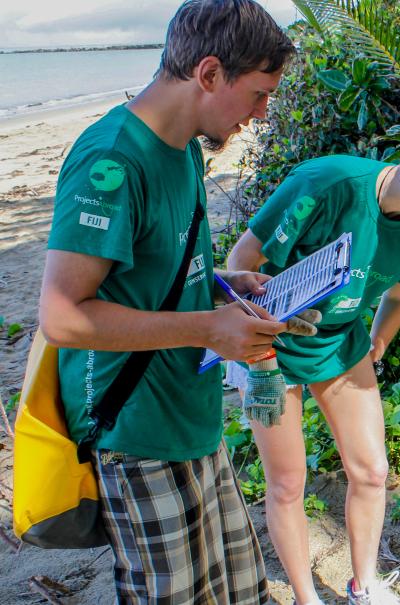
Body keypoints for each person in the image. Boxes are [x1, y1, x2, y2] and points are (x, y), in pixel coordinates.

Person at [36, 1, 296, 603]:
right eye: (259, 94)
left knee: (239, 591)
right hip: (134, 433)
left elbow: (163, 271)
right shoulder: (113, 161)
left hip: (193, 419)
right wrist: (209, 326)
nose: (262, 113)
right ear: (208, 74)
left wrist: (227, 282)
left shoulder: (184, 150)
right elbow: (62, 316)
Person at [225, 120, 400, 605]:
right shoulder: (325, 184)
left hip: (340, 340)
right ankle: (305, 597)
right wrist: (257, 345)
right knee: (288, 481)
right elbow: (243, 258)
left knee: (372, 471)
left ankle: (365, 584)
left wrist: (377, 342)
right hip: (266, 341)